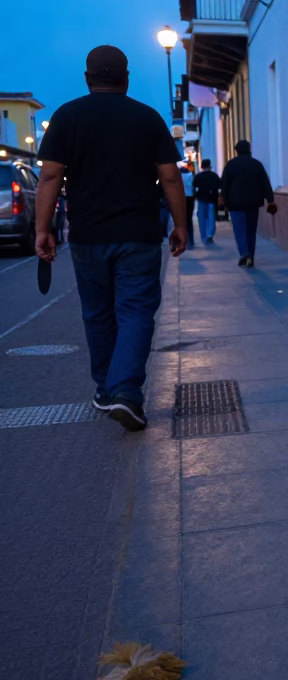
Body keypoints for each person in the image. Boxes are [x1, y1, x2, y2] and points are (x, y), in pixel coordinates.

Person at [34, 45, 187, 432]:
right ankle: (126, 392)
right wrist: (180, 225)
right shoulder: (147, 118)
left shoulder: (66, 117)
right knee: (135, 310)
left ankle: (107, 388)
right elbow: (170, 176)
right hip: (138, 234)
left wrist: (43, 229)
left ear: (87, 79)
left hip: (87, 235)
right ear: (126, 78)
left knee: (98, 313)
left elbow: (50, 177)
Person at [220, 139, 276, 267]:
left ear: (236, 150)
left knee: (239, 230)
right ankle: (251, 255)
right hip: (253, 203)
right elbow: (265, 183)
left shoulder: (230, 165)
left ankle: (244, 253)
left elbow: (225, 184)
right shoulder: (256, 164)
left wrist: (222, 198)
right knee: (251, 230)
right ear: (249, 149)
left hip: (235, 204)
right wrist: (270, 200)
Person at [192, 159, 221, 244]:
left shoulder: (198, 176)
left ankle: (203, 236)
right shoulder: (214, 176)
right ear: (210, 166)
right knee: (211, 218)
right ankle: (210, 235)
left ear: (201, 166)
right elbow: (219, 186)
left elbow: (194, 187)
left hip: (201, 199)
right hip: (212, 199)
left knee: (202, 218)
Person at [180, 163, 196, 248]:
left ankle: (185, 240)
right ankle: (191, 240)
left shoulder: (179, 176)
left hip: (181, 198)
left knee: (183, 220)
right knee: (189, 220)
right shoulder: (191, 175)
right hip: (190, 197)